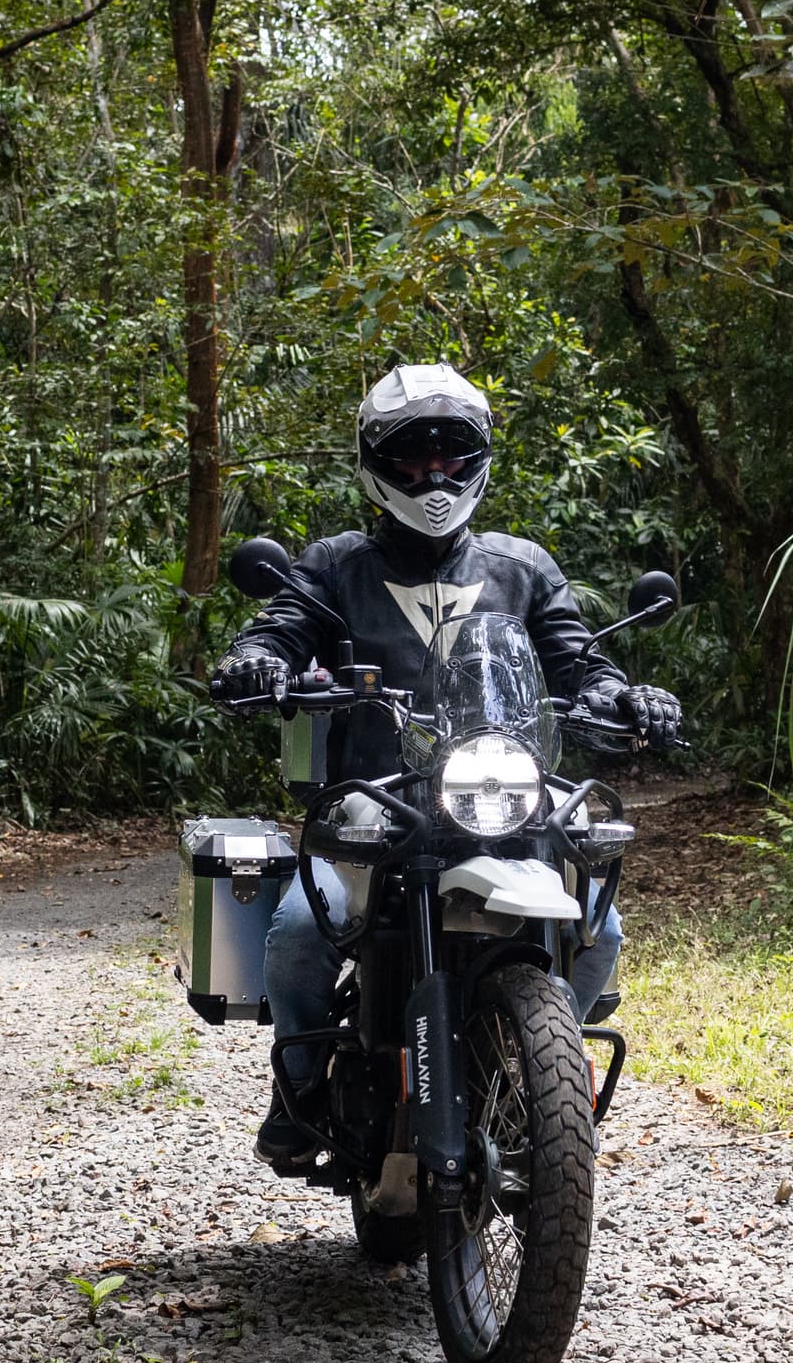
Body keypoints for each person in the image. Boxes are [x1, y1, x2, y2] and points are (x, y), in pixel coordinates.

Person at [211, 364, 682, 1173]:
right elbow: (280, 628)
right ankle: (297, 1083)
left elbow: (577, 665)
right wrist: (255, 660)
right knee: (295, 930)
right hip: (372, 805)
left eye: (451, 456)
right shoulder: (334, 564)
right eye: (412, 458)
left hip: (503, 796)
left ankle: (541, 1082)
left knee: (598, 926)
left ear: (480, 460)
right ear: (373, 463)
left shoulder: (521, 567)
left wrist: (624, 695)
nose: (434, 476)